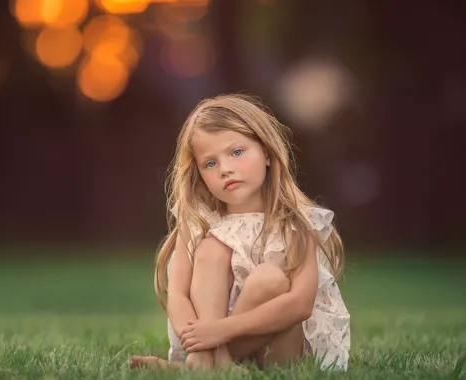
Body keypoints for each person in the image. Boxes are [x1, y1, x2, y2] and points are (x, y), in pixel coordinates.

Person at [129, 93, 350, 372]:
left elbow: (300, 305)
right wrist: (200, 344)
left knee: (269, 278)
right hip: (208, 344)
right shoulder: (199, 222)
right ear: (198, 172)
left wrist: (220, 330)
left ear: (267, 152)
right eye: (210, 163)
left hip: (281, 352)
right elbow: (178, 295)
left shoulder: (295, 224)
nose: (226, 170)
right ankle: (206, 363)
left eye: (236, 152)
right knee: (210, 248)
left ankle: (205, 366)